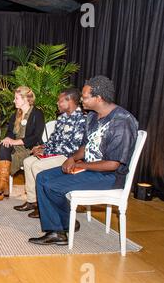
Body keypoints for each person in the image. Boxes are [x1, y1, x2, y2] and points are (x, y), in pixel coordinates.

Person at [29, 76, 138, 246]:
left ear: (99, 98)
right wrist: (72, 158)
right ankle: (63, 224)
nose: (81, 100)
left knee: (52, 186)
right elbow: (86, 146)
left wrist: (80, 165)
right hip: (89, 169)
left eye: (85, 97)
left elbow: (113, 164)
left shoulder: (122, 122)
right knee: (43, 178)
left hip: (110, 176)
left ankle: (59, 231)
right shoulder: (93, 117)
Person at [14, 88, 86, 218]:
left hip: (68, 158)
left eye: (60, 101)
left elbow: (72, 148)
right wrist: (42, 147)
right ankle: (32, 201)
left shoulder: (81, 120)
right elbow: (54, 140)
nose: (57, 103)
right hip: (56, 153)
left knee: (37, 166)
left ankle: (44, 206)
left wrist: (46, 150)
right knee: (27, 161)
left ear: (69, 101)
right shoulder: (62, 118)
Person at [0, 86, 45, 201]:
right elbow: (10, 132)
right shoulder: (16, 114)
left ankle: (2, 186)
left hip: (30, 148)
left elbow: (36, 137)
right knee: (3, 146)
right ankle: (2, 185)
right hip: (16, 147)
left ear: (25, 99)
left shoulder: (37, 113)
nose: (13, 101)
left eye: (16, 98)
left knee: (6, 152)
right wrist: (7, 139)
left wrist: (14, 141)